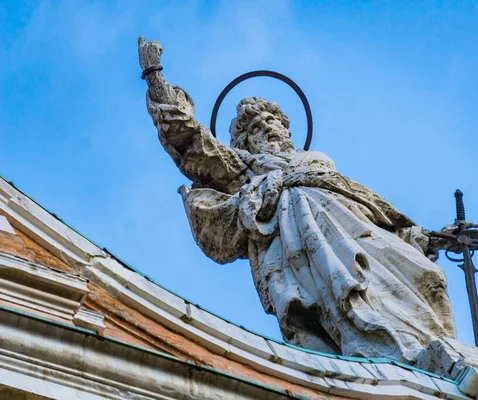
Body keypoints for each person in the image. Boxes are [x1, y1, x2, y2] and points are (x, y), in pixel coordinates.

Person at [139, 37, 456, 362]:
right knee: (336, 309)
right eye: (260, 126)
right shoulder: (246, 169)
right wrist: (154, 74)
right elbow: (190, 138)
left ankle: (430, 354)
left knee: (427, 277)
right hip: (301, 248)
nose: (272, 128)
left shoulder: (316, 163)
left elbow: (367, 208)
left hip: (358, 233)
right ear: (247, 140)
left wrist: (428, 237)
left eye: (275, 122)